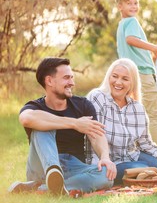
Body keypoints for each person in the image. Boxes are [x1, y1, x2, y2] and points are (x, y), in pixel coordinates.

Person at [8, 57, 117, 195]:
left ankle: (41, 189)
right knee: (43, 124)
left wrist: (105, 157)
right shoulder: (35, 106)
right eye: (66, 78)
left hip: (74, 166)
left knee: (107, 175)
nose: (71, 83)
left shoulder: (83, 105)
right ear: (49, 81)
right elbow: (26, 118)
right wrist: (75, 123)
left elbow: (96, 135)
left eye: (72, 77)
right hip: (42, 167)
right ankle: (53, 172)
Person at [86, 58, 157, 185]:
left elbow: (147, 145)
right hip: (109, 162)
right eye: (114, 76)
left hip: (133, 157)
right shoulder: (98, 97)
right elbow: (95, 134)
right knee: (141, 168)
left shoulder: (137, 108)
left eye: (125, 79)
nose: (118, 82)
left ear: (132, 83)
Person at [115, 0, 157, 151]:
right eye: (129, 3)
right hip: (143, 74)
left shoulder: (121, 24)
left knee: (136, 116)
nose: (133, 6)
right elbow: (131, 39)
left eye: (136, 3)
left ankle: (139, 150)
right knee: (154, 116)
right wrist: (154, 48)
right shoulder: (131, 22)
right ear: (120, 7)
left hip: (128, 75)